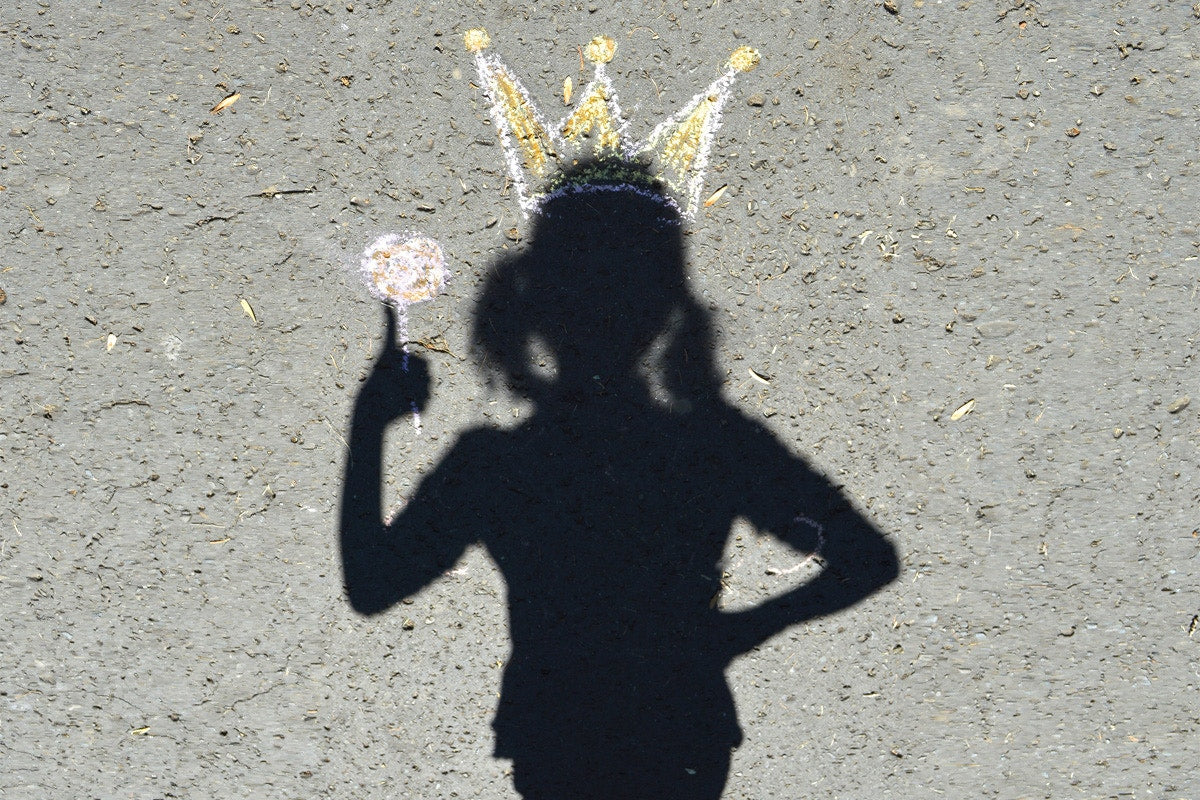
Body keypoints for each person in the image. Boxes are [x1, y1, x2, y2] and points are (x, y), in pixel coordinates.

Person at [339, 162, 900, 799]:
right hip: (680, 728)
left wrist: (368, 426)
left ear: (539, 306)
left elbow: (371, 583)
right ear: (661, 311)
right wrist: (740, 631)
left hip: (558, 734)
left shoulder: (495, 466)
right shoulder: (712, 445)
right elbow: (868, 558)